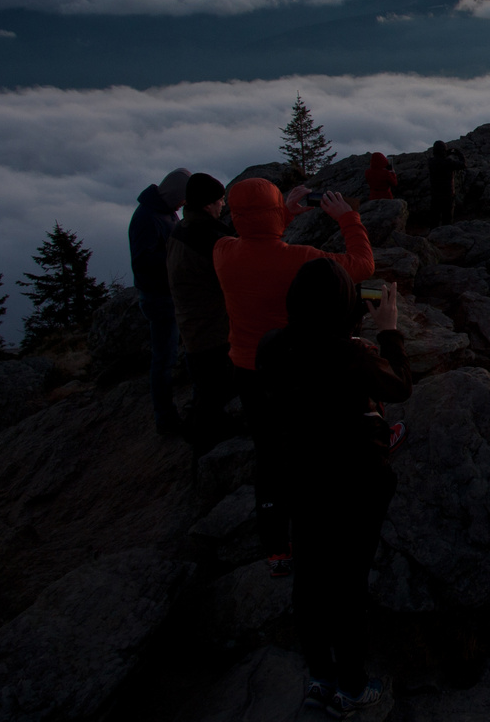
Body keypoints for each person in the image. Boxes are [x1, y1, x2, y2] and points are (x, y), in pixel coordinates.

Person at [256, 265, 410, 717]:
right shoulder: (354, 356)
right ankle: (353, 687)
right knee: (348, 583)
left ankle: (320, 677)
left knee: (310, 579)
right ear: (345, 307)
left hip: (300, 476)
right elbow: (399, 384)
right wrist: (388, 330)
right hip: (356, 479)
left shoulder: (274, 347)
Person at [213, 179, 374, 576]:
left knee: (268, 450)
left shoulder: (223, 252)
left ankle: (276, 547)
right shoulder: (300, 259)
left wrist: (282, 213)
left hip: (249, 366)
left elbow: (253, 238)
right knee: (316, 437)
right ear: (271, 214)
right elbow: (362, 266)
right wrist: (348, 218)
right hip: (300, 364)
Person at [165, 172, 236, 453]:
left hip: (192, 329)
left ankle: (200, 440)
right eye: (220, 201)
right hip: (214, 332)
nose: (222, 206)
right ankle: (208, 452)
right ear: (208, 204)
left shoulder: (180, 230)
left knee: (204, 392)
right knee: (216, 398)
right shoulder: (209, 239)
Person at [129, 168, 190, 434]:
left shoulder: (163, 210)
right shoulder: (147, 217)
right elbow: (142, 260)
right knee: (164, 358)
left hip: (169, 294)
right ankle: (165, 418)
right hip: (158, 298)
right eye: (183, 198)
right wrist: (175, 257)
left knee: (176, 353)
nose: (183, 204)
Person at [427, 141, 466, 227]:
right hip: (448, 195)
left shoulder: (431, 162)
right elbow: (463, 165)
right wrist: (459, 154)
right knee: (447, 219)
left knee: (434, 219)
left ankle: (432, 236)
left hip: (435, 194)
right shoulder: (448, 162)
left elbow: (439, 158)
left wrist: (446, 153)